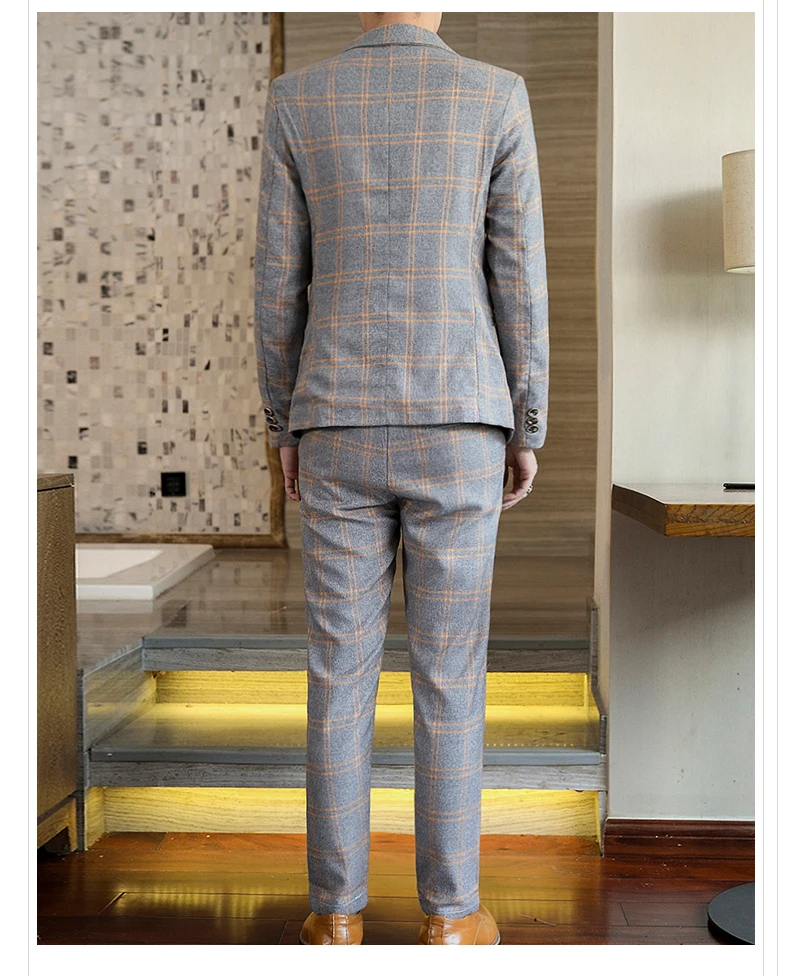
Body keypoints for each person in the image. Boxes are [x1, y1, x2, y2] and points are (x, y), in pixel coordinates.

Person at [254, 10, 548, 945]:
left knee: (338, 670)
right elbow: (518, 277)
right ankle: (450, 916)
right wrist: (526, 421)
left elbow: (276, 281)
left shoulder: (297, 99)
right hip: (461, 415)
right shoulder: (494, 95)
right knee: (450, 674)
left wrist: (284, 421)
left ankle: (334, 913)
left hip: (336, 415)